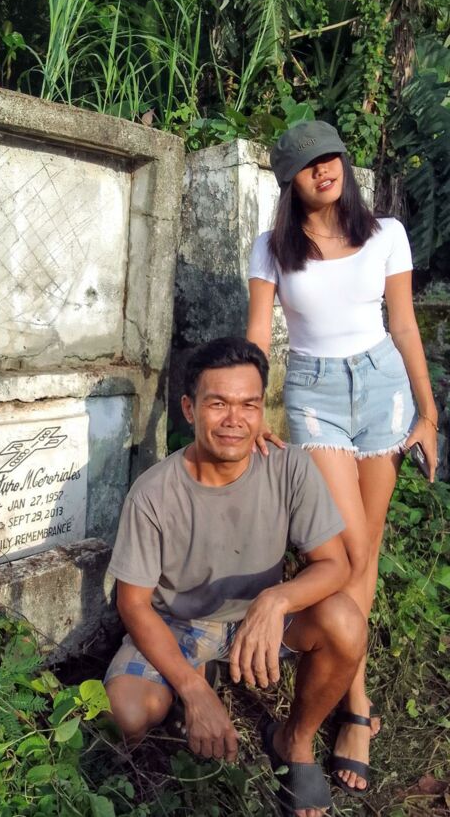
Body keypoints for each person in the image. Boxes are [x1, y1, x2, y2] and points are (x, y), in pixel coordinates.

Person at [246, 120, 438, 797]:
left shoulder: (385, 234)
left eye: (331, 156)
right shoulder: (272, 248)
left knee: (370, 546)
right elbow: (258, 335)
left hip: (384, 386)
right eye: (308, 164)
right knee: (346, 549)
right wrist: (252, 407)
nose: (324, 169)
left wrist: (429, 412)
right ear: (289, 181)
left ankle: (353, 706)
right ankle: (354, 702)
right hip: (314, 394)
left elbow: (404, 323)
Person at [104, 337, 367, 817]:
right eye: (218, 404)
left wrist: (275, 600)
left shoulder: (288, 466)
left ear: (262, 410)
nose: (235, 419)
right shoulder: (154, 493)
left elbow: (335, 564)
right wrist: (192, 689)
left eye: (249, 405)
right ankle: (196, 681)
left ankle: (295, 741)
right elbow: (133, 604)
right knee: (128, 713)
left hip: (263, 618)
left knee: (345, 622)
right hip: (180, 623)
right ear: (189, 408)